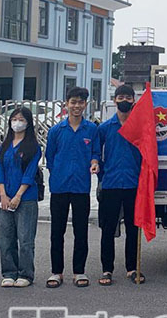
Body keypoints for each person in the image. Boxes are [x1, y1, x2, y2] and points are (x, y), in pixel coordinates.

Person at [45, 87, 100, 288]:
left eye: (81, 102)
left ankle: (79, 271)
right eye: (73, 102)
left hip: (81, 188)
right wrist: (59, 172)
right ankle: (56, 272)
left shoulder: (92, 129)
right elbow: (49, 157)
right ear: (66, 104)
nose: (77, 106)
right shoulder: (56, 131)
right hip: (59, 187)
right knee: (57, 232)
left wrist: (94, 161)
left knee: (80, 232)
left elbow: (96, 152)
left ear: (86, 105)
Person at [95, 84, 144, 285]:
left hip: (133, 184)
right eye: (121, 97)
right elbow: (96, 155)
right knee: (108, 229)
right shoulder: (104, 128)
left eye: (128, 97)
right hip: (111, 184)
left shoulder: (140, 128)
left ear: (134, 101)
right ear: (114, 100)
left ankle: (132, 268)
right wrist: (99, 172)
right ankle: (107, 270)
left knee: (133, 229)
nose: (124, 101)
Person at [0, 107, 41, 288]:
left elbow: (29, 174)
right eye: (14, 119)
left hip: (26, 198)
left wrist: (18, 195)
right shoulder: (4, 146)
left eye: (21, 119)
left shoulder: (33, 147)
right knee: (5, 237)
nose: (17, 122)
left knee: (25, 238)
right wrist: (3, 195)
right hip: (5, 197)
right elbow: (0, 172)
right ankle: (8, 272)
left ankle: (25, 274)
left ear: (28, 122)